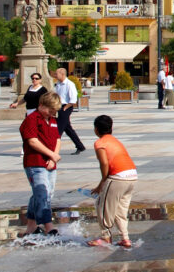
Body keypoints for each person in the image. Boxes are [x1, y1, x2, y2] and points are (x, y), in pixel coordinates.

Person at [86, 115, 137, 248]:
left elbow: (104, 163)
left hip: (118, 177)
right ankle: (125, 238)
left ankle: (105, 237)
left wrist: (102, 182)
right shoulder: (115, 140)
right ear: (111, 128)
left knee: (102, 206)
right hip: (132, 175)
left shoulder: (100, 143)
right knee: (121, 210)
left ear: (96, 129)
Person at [19, 92, 62, 238]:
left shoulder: (52, 120)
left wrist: (53, 158)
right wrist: (51, 155)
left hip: (50, 163)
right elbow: (32, 141)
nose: (53, 113)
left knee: (43, 193)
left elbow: (57, 139)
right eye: (51, 110)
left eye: (55, 111)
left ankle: (31, 227)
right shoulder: (32, 119)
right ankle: (48, 226)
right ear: (42, 105)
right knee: (42, 193)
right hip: (35, 163)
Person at [53, 68, 86, 154]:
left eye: (57, 74)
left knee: (59, 128)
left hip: (66, 107)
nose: (55, 76)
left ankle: (53, 147)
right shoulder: (58, 84)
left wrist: (65, 107)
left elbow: (73, 99)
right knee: (68, 128)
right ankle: (80, 146)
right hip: (59, 106)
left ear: (62, 74)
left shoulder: (69, 84)